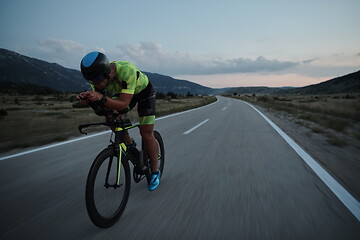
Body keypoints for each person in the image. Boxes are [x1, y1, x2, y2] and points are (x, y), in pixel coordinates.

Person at [77, 51, 160, 191]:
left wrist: (101, 97)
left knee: (146, 133)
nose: (96, 85)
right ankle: (129, 144)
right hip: (123, 94)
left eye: (98, 82)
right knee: (110, 117)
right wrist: (88, 100)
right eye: (92, 83)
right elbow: (103, 104)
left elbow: (123, 104)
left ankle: (155, 172)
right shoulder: (96, 79)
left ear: (107, 73)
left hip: (143, 93)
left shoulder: (127, 70)